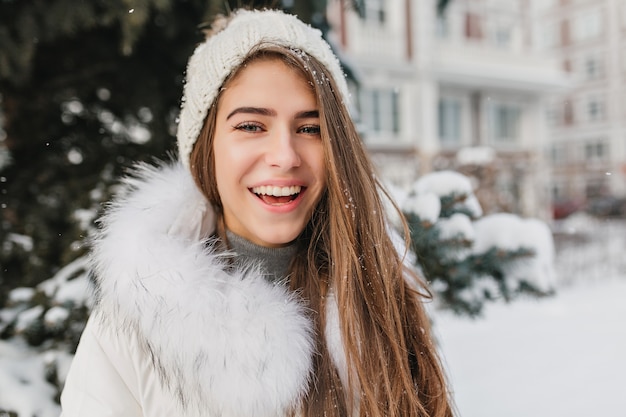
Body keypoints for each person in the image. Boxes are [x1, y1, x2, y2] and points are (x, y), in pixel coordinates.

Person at [60, 8, 454, 417]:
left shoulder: (381, 301)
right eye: (251, 126)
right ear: (205, 149)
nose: (284, 157)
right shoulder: (133, 325)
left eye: (310, 128)